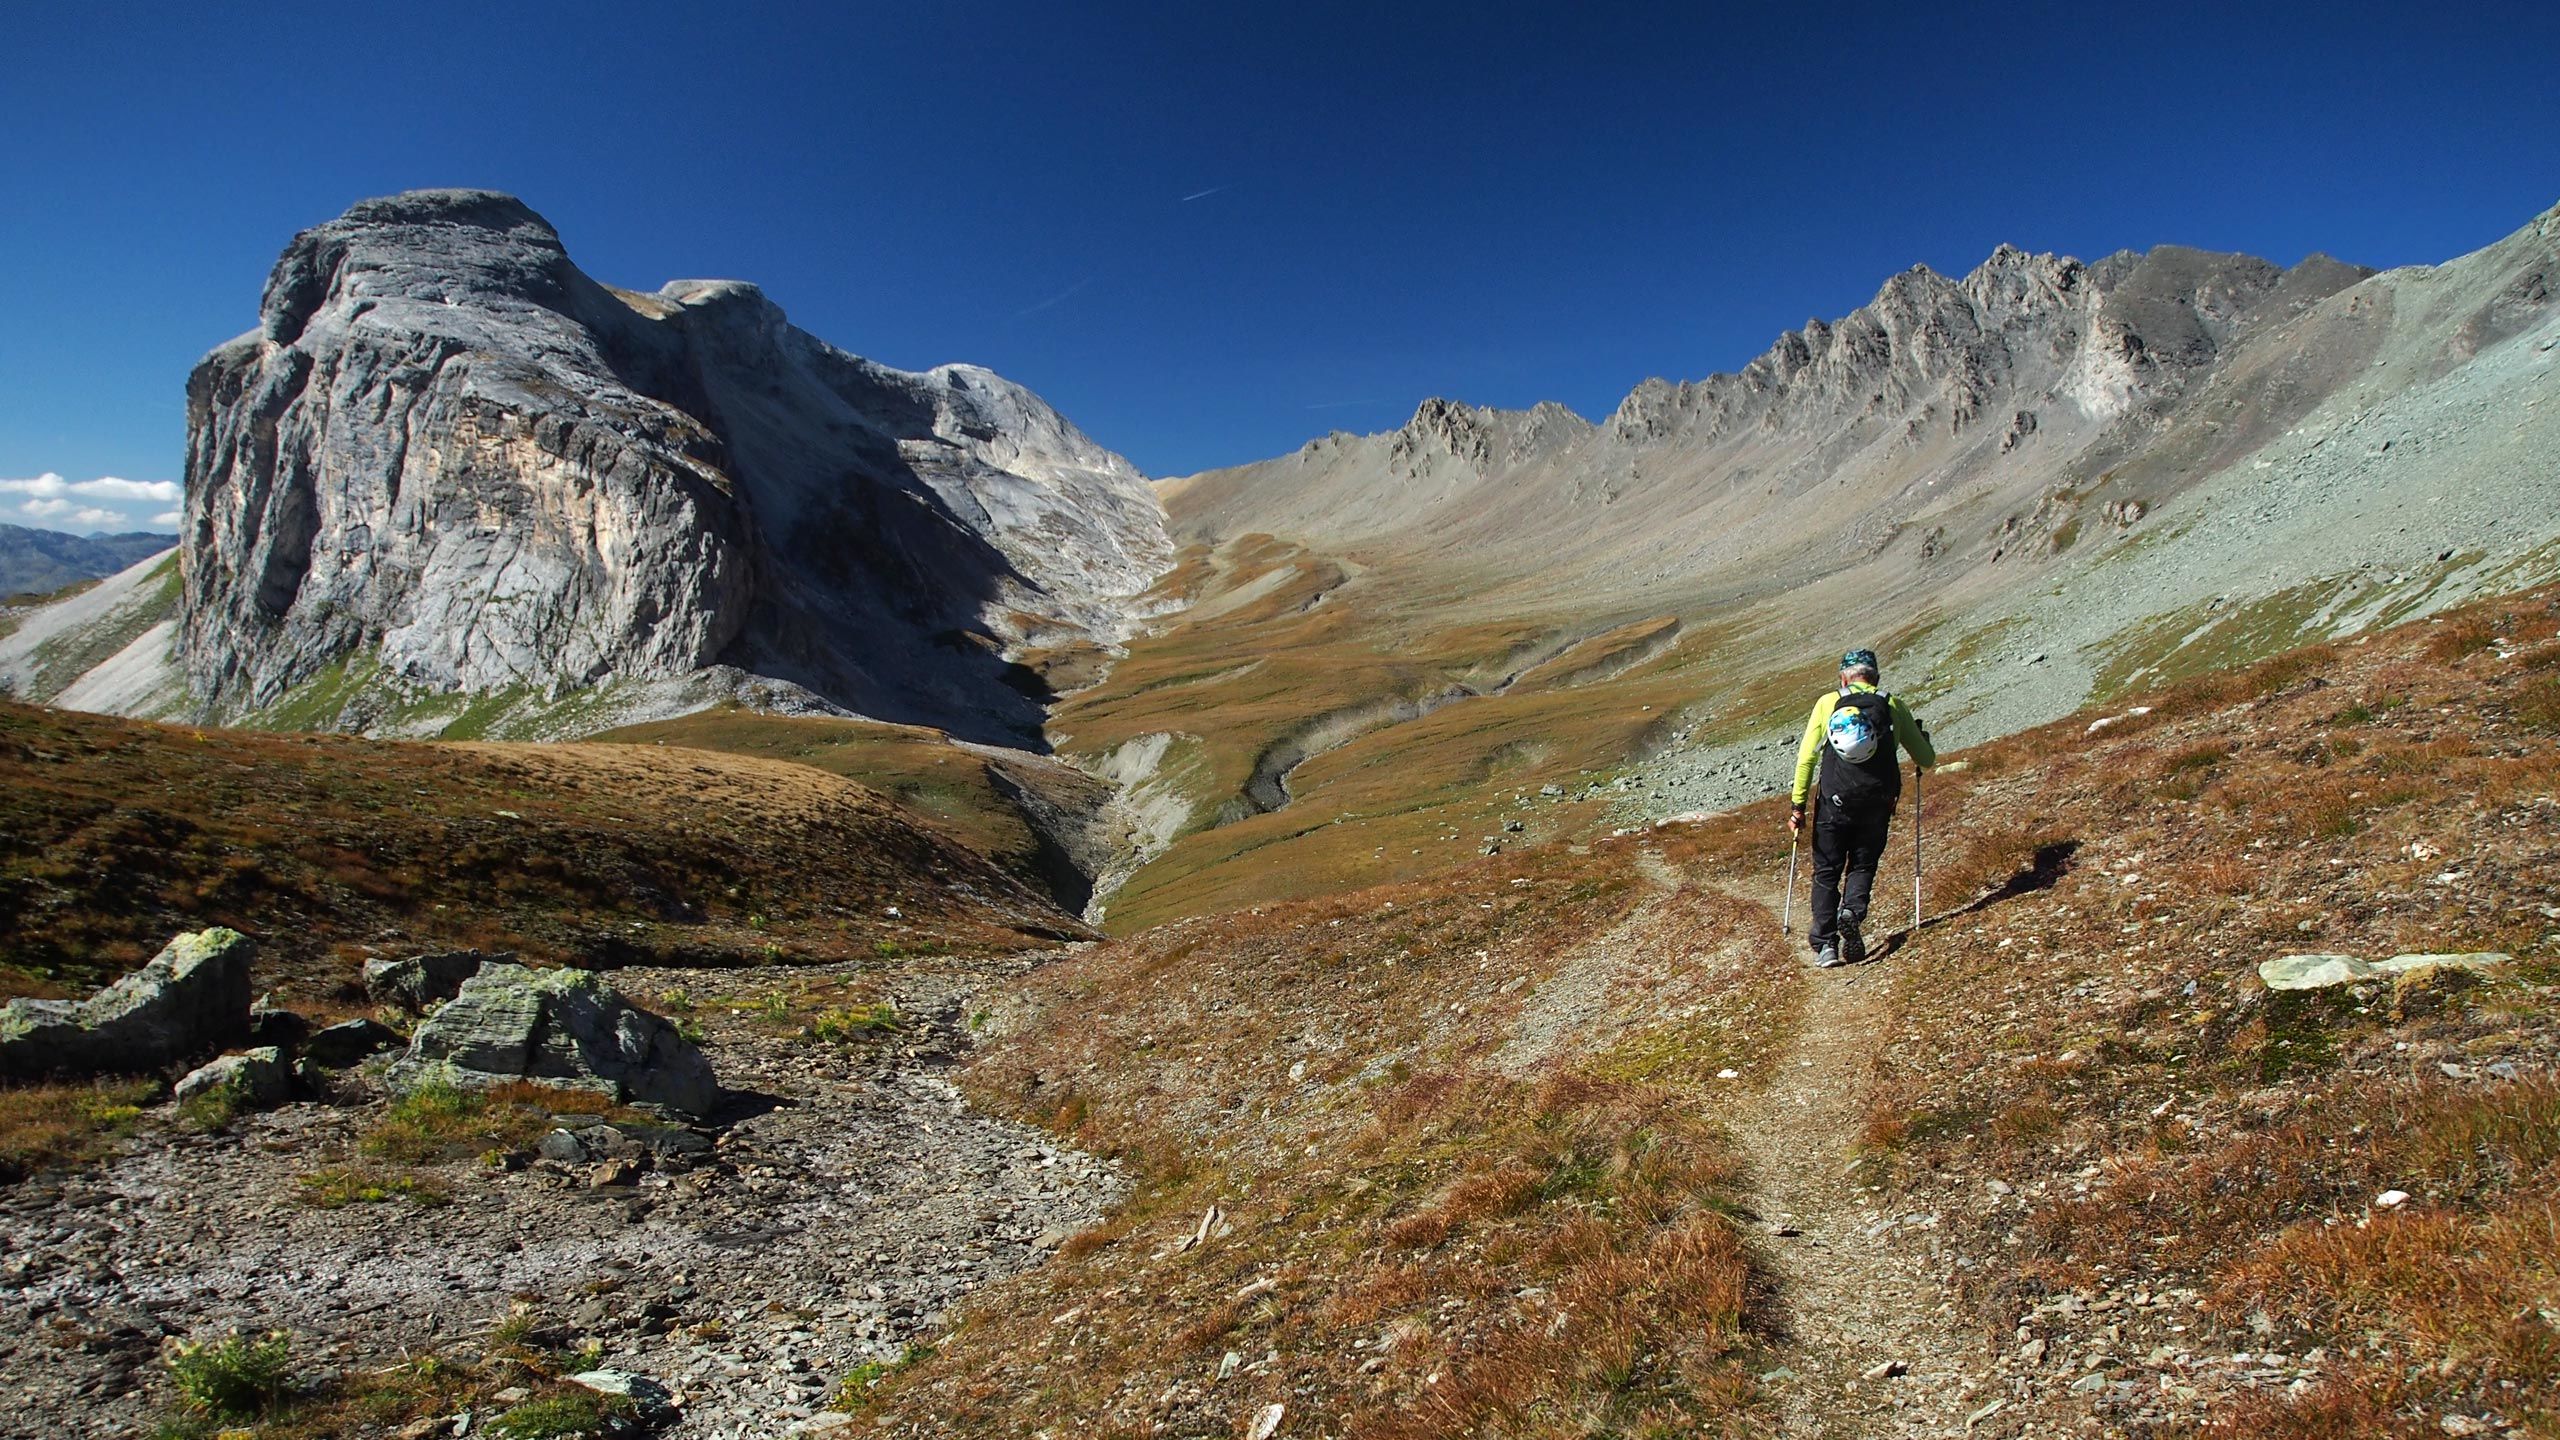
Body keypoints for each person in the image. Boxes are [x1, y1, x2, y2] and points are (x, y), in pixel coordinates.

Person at [1788, 648, 1935, 967]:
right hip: (1877, 803)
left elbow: (1807, 758)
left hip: (1833, 803)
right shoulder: (1892, 705)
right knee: (1863, 864)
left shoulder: (1828, 703)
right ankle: (1852, 911)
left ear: (1844, 677)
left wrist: (1798, 806)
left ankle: (1826, 945)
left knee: (1826, 871)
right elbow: (1926, 758)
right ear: (1875, 676)